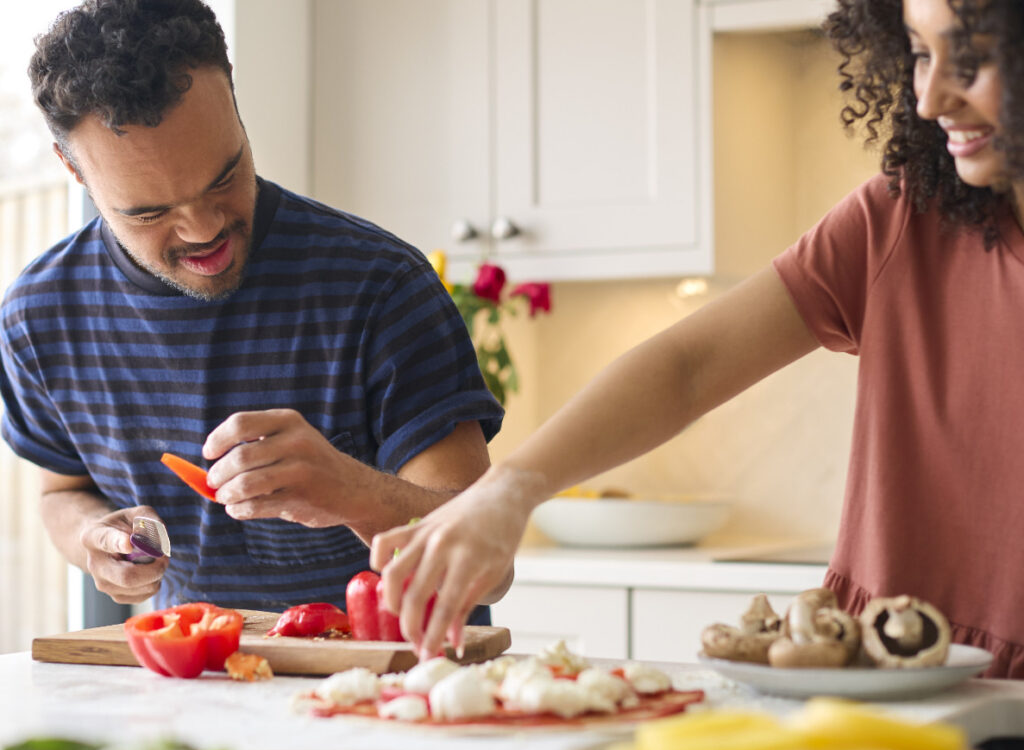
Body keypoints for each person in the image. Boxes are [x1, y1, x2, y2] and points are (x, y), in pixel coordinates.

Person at [372, 0, 1024, 676]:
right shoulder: (900, 220)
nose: (930, 98)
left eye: (970, 57)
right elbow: (688, 367)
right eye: (920, 53)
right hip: (877, 682)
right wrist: (506, 491)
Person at [0, 0, 509, 621]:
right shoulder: (40, 316)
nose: (204, 230)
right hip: (199, 670)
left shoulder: (381, 286)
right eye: (150, 212)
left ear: (235, 104)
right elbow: (60, 491)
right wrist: (93, 536)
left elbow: (492, 570)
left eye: (224, 176)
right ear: (72, 170)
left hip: (404, 674)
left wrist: (353, 492)